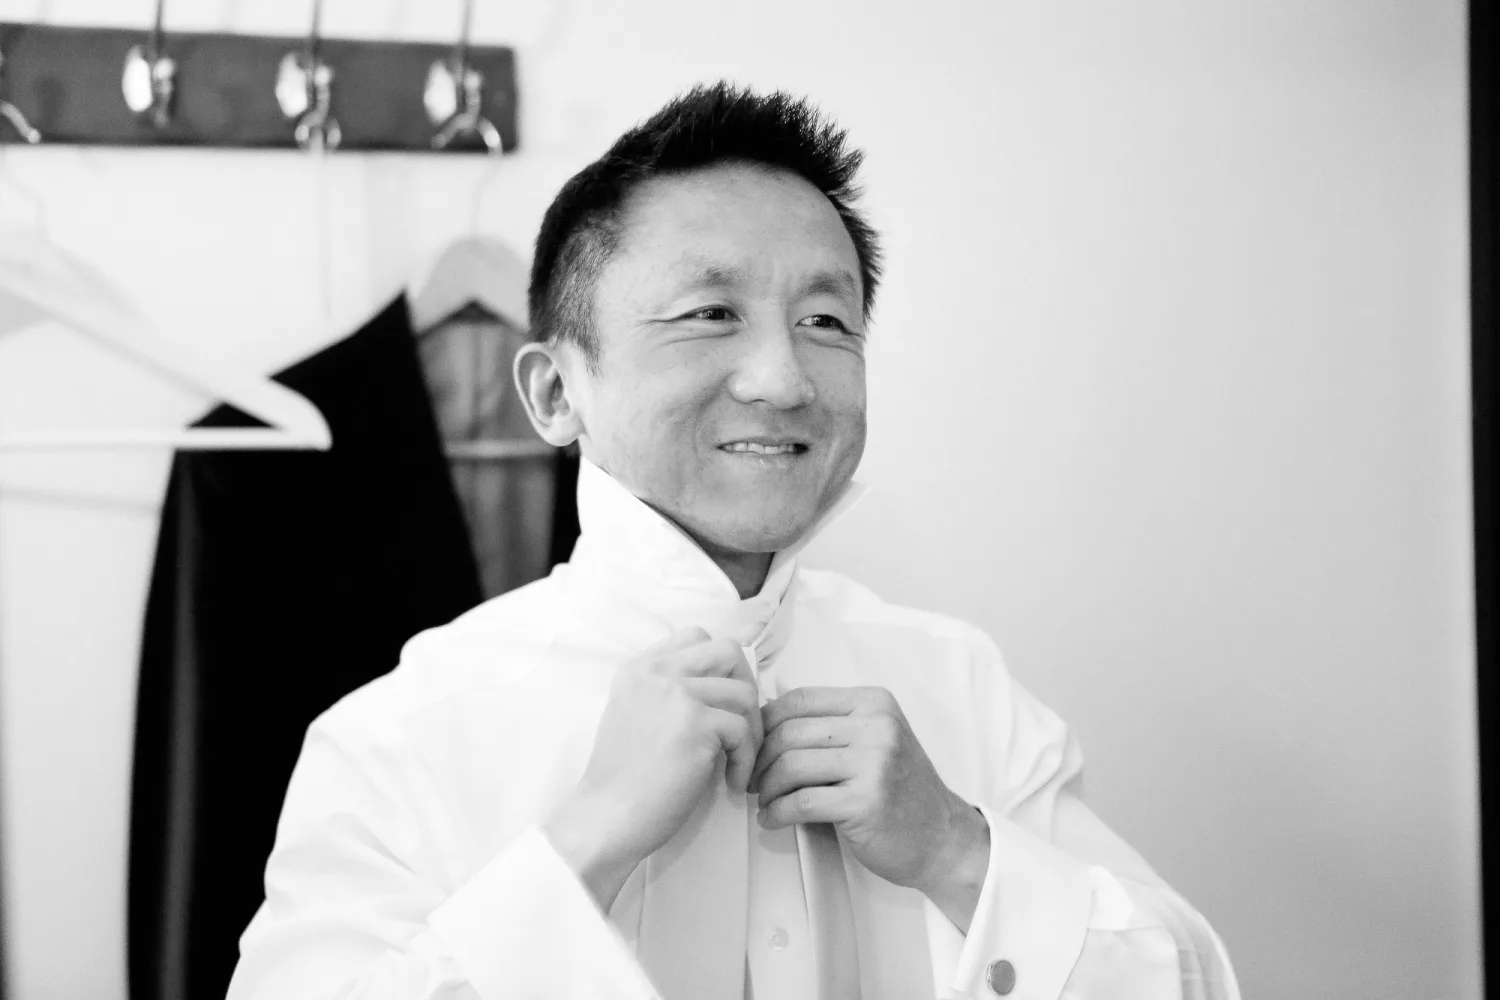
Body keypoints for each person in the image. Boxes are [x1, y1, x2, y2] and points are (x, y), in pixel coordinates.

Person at [226, 82, 1241, 1000]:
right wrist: (583, 843)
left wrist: (955, 851)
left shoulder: (962, 688)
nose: (783, 378)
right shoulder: (402, 738)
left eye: (826, 321)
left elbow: (1193, 982)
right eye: (711, 312)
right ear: (554, 391)